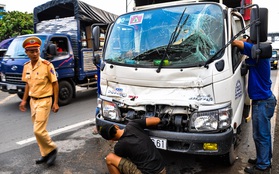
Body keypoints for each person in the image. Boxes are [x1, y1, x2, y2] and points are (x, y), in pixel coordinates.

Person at [232, 36, 277, 173]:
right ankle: (263, 159)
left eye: (249, 39)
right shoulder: (257, 56)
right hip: (263, 101)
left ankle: (263, 167)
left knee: (261, 135)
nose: (246, 41)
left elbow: (235, 42)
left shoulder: (258, 52)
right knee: (262, 134)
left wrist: (242, 40)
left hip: (263, 102)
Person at [19, 36, 60, 166]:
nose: (35, 53)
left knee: (38, 130)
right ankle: (45, 154)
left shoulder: (47, 65)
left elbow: (55, 83)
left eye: (37, 50)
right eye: (32, 51)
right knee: (37, 131)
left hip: (45, 100)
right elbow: (27, 84)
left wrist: (55, 102)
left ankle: (52, 148)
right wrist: (24, 100)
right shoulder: (26, 66)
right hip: (33, 101)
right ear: (27, 53)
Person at [99, 117, 166, 174]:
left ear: (111, 140)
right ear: (116, 126)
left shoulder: (119, 147)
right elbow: (156, 120)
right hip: (162, 170)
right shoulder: (133, 124)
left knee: (110, 158)